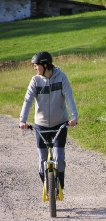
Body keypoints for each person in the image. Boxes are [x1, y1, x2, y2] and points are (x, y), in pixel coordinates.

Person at [19, 51, 78, 189]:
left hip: (60, 124)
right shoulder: (35, 81)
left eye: (36, 65)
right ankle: (48, 186)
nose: (34, 68)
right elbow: (28, 100)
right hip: (41, 125)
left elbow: (69, 96)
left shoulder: (61, 77)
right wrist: (23, 120)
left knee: (59, 158)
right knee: (42, 160)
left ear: (45, 65)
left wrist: (74, 117)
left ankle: (59, 186)